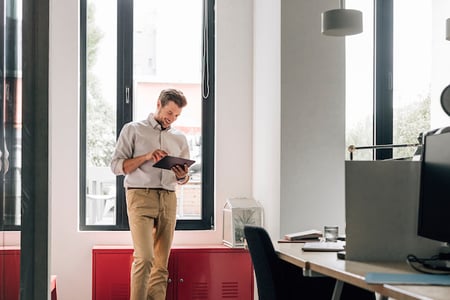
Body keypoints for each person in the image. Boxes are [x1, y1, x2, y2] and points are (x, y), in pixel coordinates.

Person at [111, 88, 191, 300]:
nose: (171, 119)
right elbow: (117, 166)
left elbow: (184, 178)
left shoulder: (179, 138)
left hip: (168, 198)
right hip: (140, 196)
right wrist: (146, 156)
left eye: (176, 116)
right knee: (145, 258)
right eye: (170, 112)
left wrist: (182, 175)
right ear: (159, 104)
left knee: (160, 264)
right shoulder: (133, 130)